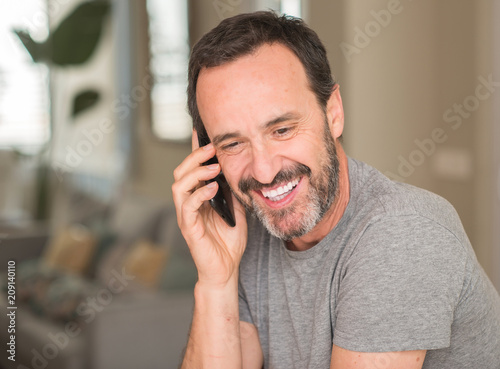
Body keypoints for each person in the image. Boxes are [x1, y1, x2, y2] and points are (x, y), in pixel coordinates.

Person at [172, 11, 500, 369]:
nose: (264, 172)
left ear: (333, 112)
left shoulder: (404, 232)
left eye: (282, 130)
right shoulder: (248, 240)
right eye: (233, 144)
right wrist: (215, 281)